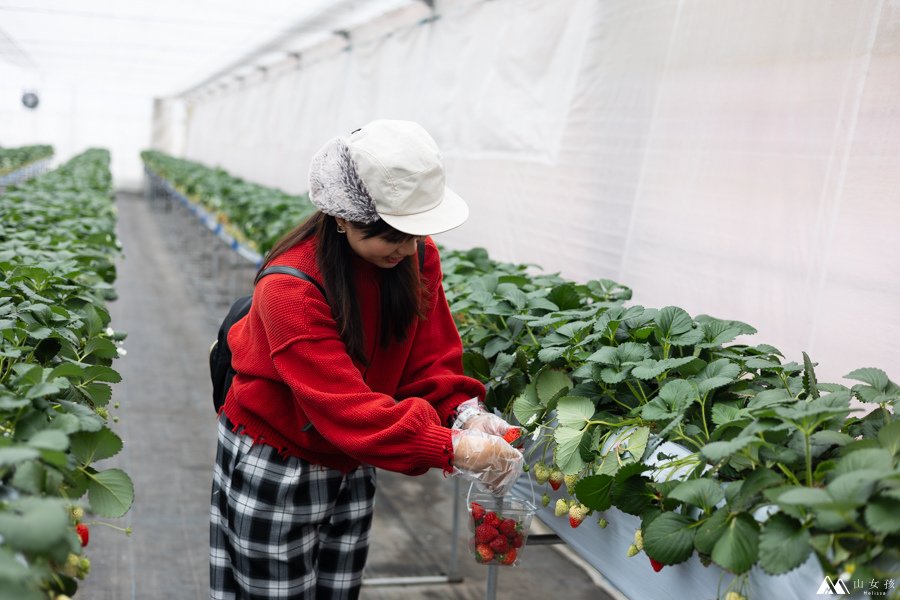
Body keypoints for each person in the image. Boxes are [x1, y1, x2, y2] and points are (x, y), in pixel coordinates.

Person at [210, 119, 524, 600]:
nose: (403, 247)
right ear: (342, 216)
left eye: (413, 233)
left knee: (339, 589)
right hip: (281, 457)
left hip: (355, 454)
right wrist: (452, 447)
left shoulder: (416, 257)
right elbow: (341, 405)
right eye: (389, 235)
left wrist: (465, 413)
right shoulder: (290, 287)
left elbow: (430, 356)